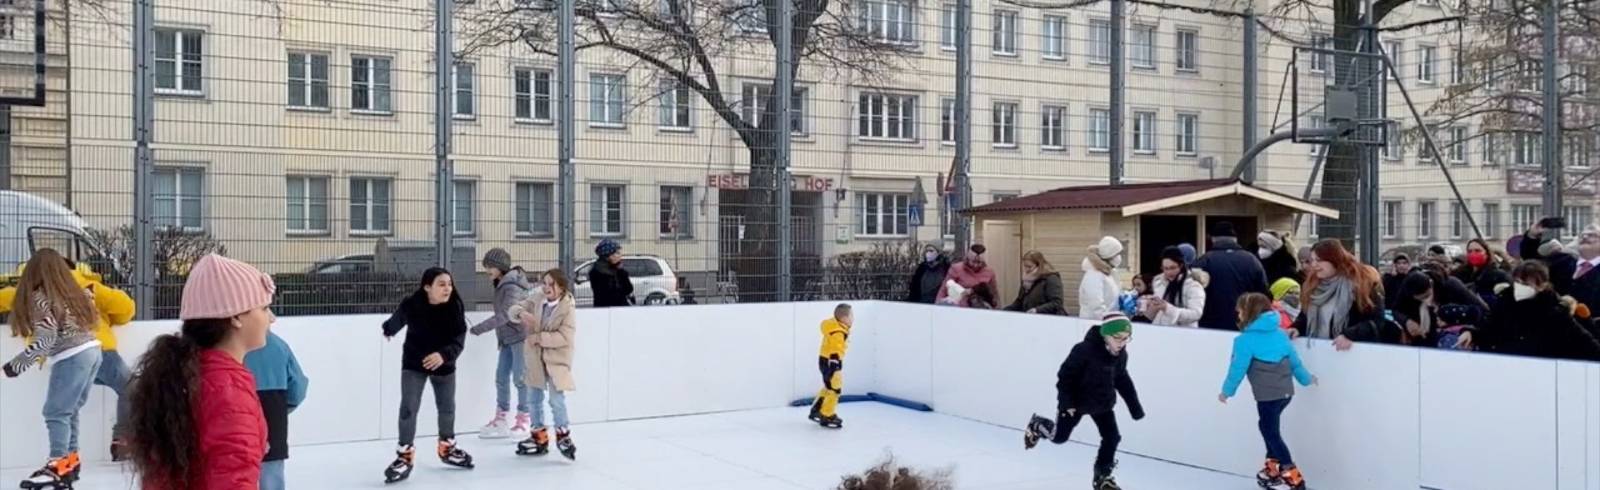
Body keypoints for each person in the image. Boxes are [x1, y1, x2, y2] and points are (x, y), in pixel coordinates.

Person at [125, 254, 275, 490]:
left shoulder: (184, 375)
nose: (271, 318)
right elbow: (234, 479)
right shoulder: (228, 390)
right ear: (236, 316)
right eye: (264, 308)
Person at [0, 258, 137, 461]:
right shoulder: (90, 287)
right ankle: (120, 439)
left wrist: (12, 368)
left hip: (68, 356)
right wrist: (110, 321)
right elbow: (126, 308)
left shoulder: (28, 292)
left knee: (59, 410)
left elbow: (43, 337)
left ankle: (62, 459)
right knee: (130, 387)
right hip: (99, 350)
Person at [3, 249, 103, 489]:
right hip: (93, 351)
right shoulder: (77, 292)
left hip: (71, 356)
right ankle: (70, 462)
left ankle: (56, 465)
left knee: (55, 412)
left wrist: (13, 367)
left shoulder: (41, 297)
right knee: (69, 411)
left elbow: (45, 341)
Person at [1022, 313, 1144, 490]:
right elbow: (1065, 377)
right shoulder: (1083, 350)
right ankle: (1038, 425)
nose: (1122, 343)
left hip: (1102, 403)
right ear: (1105, 335)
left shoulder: (1121, 355)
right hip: (1075, 404)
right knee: (1059, 438)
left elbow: (1122, 379)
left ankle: (1102, 476)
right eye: (1117, 338)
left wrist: (1135, 408)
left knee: (1112, 437)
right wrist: (1067, 403)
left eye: (1126, 339)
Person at [381, 267, 475, 483]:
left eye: (449, 284)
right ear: (427, 287)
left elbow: (459, 339)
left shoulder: (454, 307)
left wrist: (443, 355)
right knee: (408, 408)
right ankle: (404, 454)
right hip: (414, 363)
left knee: (447, 408)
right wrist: (389, 329)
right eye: (441, 284)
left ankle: (447, 447)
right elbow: (398, 318)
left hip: (444, 365)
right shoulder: (413, 303)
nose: (448, 288)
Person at [1219, 293, 1316, 490]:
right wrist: (1307, 379)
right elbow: (1295, 362)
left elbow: (1237, 369)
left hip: (1267, 396)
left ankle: (1292, 476)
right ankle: (1272, 468)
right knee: (1267, 427)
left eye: (1239, 310)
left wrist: (1227, 391)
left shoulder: (1244, 341)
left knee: (1270, 432)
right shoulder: (1280, 333)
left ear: (1248, 312)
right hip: (1285, 394)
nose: (1237, 313)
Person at [512, 269, 581, 459]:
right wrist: (520, 314)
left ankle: (563, 434)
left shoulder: (567, 308)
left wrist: (538, 338)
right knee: (533, 399)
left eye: (552, 284)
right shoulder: (538, 298)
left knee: (555, 400)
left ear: (561, 287)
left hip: (556, 361)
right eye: (545, 283)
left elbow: (564, 337)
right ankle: (538, 435)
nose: (547, 287)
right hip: (535, 358)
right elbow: (514, 308)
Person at [1469, 262, 1600, 361]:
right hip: (1505, 366)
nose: (1519, 287)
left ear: (1542, 286)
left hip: (1540, 371)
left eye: (1526, 284)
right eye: (1517, 282)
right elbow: (1489, 329)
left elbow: (1585, 343)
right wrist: (1471, 333)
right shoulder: (1505, 303)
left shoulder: (1555, 313)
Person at [470, 248, 534, 440]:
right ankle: (501, 418)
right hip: (507, 338)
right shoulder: (501, 284)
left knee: (520, 379)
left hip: (519, 337)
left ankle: (524, 419)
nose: (487, 269)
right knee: (501, 377)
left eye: (489, 266)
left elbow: (507, 314)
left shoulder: (511, 286)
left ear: (500, 267)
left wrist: (480, 328)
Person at [1293, 239, 1392, 350]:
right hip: (1318, 352)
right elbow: (1305, 315)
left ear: (1334, 260)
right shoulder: (1312, 284)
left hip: (1354, 354)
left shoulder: (1362, 283)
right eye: (1313, 260)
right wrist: (1296, 328)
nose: (1314, 265)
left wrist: (1350, 334)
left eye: (1319, 260)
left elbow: (1376, 321)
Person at [242, 331, 309, 490]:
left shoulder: (231, 345)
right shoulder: (279, 346)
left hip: (240, 420)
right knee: (271, 474)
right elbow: (298, 388)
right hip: (273, 416)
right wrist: (283, 409)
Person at [1193, 221, 1270, 330]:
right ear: (1235, 239)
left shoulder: (1204, 261)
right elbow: (1264, 294)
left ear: (1213, 239)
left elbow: (1193, 293)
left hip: (1211, 324)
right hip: (1245, 323)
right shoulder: (1252, 260)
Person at [1392, 268, 1485, 347]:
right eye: (1420, 299)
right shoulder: (1407, 288)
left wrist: (1470, 330)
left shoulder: (1451, 285)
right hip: (1423, 340)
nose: (1427, 302)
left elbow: (1482, 311)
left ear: (1431, 284)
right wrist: (1406, 321)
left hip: (1457, 337)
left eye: (1427, 296)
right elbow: (1396, 309)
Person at [805, 303, 853, 429]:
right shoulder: (838, 332)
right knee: (835, 389)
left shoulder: (832, 326)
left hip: (823, 360)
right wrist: (835, 365)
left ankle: (817, 409)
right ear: (843, 318)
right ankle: (827, 414)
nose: (852, 319)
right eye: (850, 316)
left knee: (828, 386)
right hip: (831, 362)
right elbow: (836, 348)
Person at [1146, 246, 1208, 327]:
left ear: (1181, 266)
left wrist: (1168, 308)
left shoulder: (1193, 286)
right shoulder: (1159, 283)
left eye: (1173, 268)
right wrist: (1146, 307)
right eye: (1165, 268)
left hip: (1183, 335)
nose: (1169, 272)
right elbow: (1154, 316)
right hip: (1161, 332)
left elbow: (1196, 314)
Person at [1453, 238, 1513, 309]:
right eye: (1470, 251)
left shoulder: (1498, 275)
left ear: (1486, 253)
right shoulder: (1459, 273)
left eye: (1477, 251)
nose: (1473, 254)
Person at [1078, 236, 1124, 320]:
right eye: (1117, 254)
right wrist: (1106, 321)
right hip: (1096, 324)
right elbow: (1096, 305)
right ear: (1109, 255)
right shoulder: (1094, 274)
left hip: (1107, 322)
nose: (1119, 257)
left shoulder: (1109, 272)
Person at [589, 239, 634, 308]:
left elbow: (628, 289)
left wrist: (621, 272)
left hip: (621, 309)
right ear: (608, 255)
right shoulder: (597, 272)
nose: (620, 256)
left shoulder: (618, 270)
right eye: (617, 253)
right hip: (605, 311)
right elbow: (607, 295)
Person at [1570, 225, 1600, 313]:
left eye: (1592, 235)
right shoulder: (1562, 263)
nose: (1585, 237)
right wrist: (1532, 237)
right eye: (1581, 235)